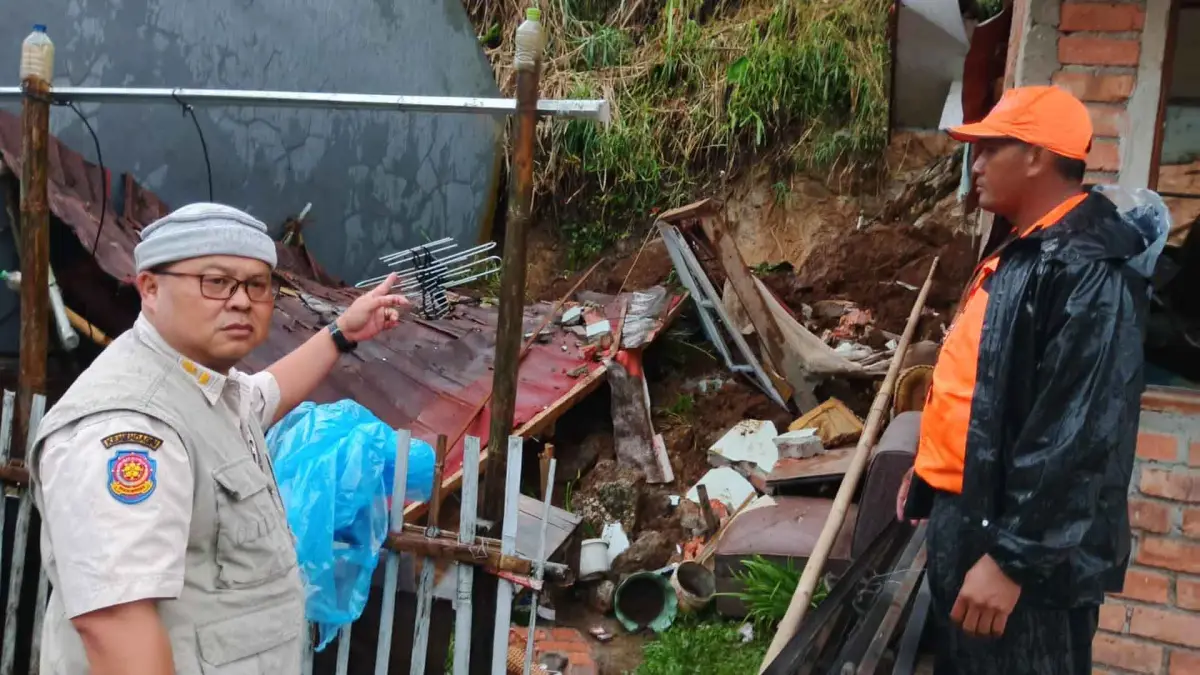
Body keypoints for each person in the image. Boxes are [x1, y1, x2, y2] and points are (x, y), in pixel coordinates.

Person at [29, 203, 412, 675]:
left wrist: (341, 333)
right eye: (216, 282)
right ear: (150, 287)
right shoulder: (130, 427)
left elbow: (264, 394)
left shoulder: (205, 387)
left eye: (257, 285)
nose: (241, 300)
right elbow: (113, 623)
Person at [896, 86, 1163, 674]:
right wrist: (930, 475)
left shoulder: (1086, 269)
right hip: (973, 519)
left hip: (1021, 558)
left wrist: (1013, 561)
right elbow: (987, 390)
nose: (977, 164)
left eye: (992, 148)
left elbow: (1077, 434)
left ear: (1039, 156)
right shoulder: (1030, 249)